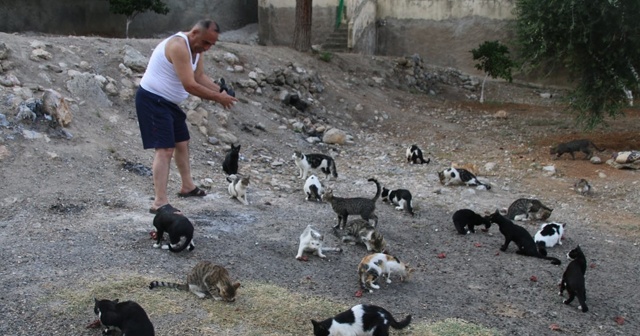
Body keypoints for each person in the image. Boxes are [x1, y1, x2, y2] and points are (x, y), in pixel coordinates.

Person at [135, 19, 237, 214]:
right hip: (152, 100)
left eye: (211, 45)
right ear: (194, 33)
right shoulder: (178, 46)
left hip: (168, 102)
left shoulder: (197, 51)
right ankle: (160, 202)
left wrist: (222, 91)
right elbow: (189, 85)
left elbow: (199, 77)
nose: (207, 48)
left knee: (182, 142)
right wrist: (218, 98)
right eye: (206, 43)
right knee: (165, 149)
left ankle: (187, 186)